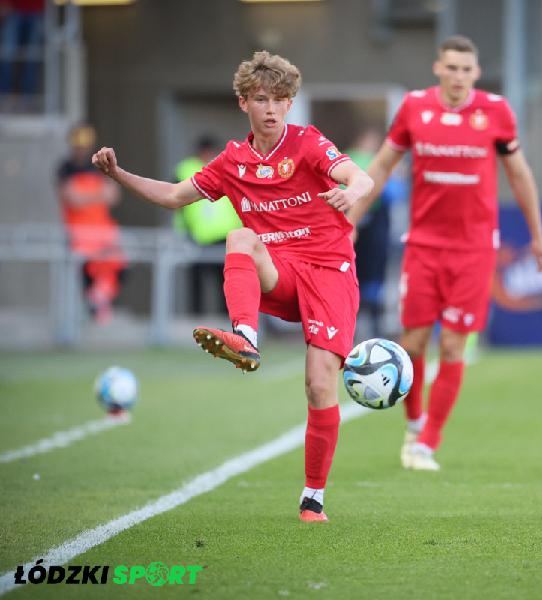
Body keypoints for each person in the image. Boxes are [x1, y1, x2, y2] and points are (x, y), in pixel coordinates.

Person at [92, 51, 374, 523]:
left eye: (280, 100)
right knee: (240, 236)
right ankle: (245, 336)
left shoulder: (307, 143)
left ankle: (313, 499)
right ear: (243, 102)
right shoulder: (232, 161)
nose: (272, 109)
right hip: (280, 271)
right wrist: (117, 174)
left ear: (290, 104)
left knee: (319, 384)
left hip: (329, 271)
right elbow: (174, 195)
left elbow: (359, 176)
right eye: (262, 99)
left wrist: (352, 191)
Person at [346, 35, 542, 471]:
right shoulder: (414, 108)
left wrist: (538, 234)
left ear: (476, 73)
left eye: (466, 69)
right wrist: (351, 219)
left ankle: (427, 442)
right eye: (451, 67)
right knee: (413, 343)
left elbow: (519, 174)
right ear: (438, 68)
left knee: (454, 345)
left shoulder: (495, 111)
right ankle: (414, 423)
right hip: (424, 246)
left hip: (474, 250)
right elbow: (381, 166)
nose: (458, 76)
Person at [58, 123, 126, 325]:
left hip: (104, 232)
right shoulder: (65, 168)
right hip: (80, 234)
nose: (81, 150)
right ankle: (94, 311)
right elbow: (73, 199)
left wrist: (86, 196)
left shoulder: (98, 166)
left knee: (119, 268)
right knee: (88, 274)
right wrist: (98, 194)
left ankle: (99, 302)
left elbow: (113, 196)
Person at [347, 127, 406, 338]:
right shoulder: (351, 160)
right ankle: (359, 323)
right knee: (357, 274)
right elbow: (394, 192)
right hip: (359, 225)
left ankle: (370, 324)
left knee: (369, 276)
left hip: (372, 227)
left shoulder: (374, 164)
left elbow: (395, 193)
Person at [173, 135, 242, 315]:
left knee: (226, 282)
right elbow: (175, 202)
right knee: (196, 281)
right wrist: (182, 232)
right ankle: (196, 319)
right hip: (197, 235)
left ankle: (226, 319)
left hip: (225, 236)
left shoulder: (225, 168)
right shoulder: (186, 169)